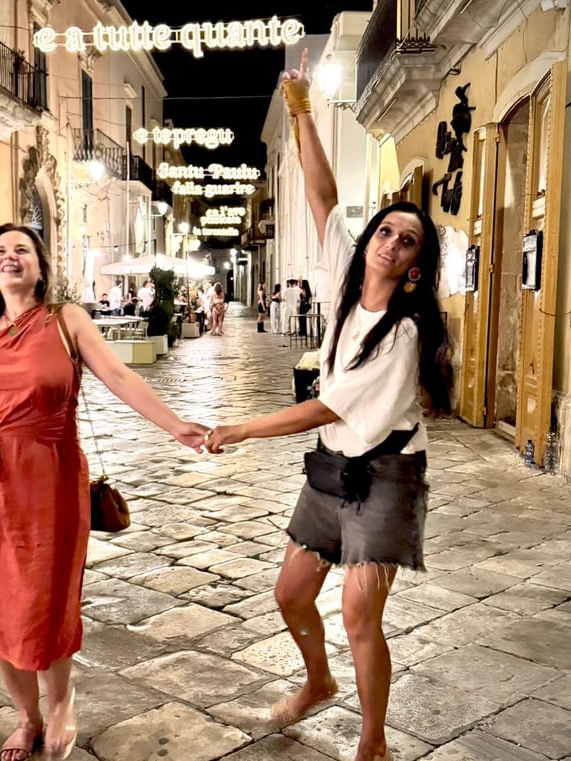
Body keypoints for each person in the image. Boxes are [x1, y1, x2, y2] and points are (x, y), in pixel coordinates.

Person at [0, 121, 208, 761]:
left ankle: (60, 700)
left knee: (46, 597)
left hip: (51, 479)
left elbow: (120, 376)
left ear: (41, 267)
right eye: (0, 250)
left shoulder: (67, 319)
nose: (9, 256)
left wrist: (176, 425)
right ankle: (25, 715)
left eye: (22, 249)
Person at [204, 49, 452, 761]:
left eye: (407, 240)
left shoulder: (403, 334)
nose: (391, 242)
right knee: (290, 593)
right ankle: (318, 680)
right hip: (332, 469)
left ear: (415, 267)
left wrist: (240, 428)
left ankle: (373, 741)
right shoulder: (344, 276)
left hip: (387, 475)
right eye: (386, 230)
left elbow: (326, 408)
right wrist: (301, 109)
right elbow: (321, 195)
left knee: (357, 614)